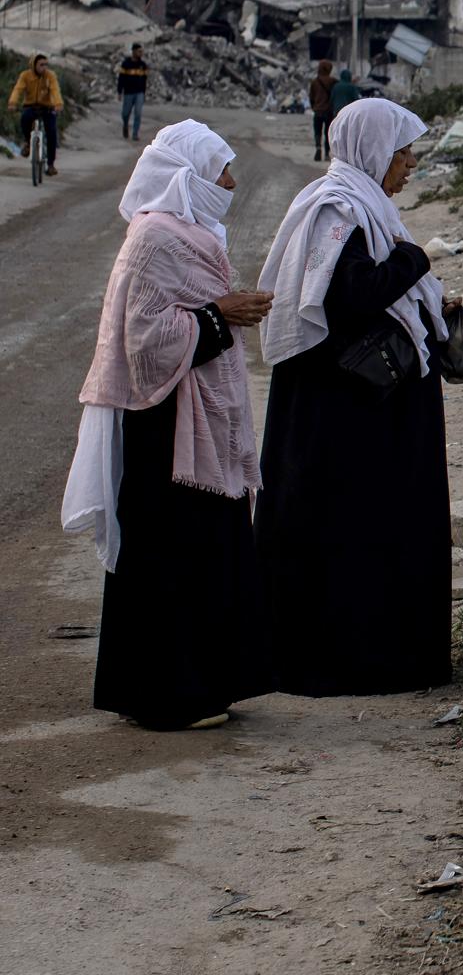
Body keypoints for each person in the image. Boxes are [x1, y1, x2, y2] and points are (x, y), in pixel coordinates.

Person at [61, 121, 275, 730]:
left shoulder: (191, 234)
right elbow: (146, 342)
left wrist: (220, 311)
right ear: (188, 176)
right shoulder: (156, 238)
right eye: (220, 170)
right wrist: (221, 313)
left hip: (194, 418)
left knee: (204, 556)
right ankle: (170, 697)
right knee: (171, 560)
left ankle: (202, 684)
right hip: (164, 426)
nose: (229, 182)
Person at [254, 98, 458, 696]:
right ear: (373, 151)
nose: (411, 164)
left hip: (365, 413)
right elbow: (351, 295)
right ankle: (347, 662)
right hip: (344, 416)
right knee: (347, 533)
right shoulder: (337, 209)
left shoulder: (364, 205)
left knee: (378, 529)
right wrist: (415, 260)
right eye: (403, 152)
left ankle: (389, 655)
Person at [10, 53, 63, 175]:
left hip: (47, 108)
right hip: (30, 106)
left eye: (46, 65)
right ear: (34, 65)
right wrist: (13, 102)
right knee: (24, 119)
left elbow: (55, 90)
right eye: (41, 65)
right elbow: (18, 89)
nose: (44, 68)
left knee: (52, 132)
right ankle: (28, 143)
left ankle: (50, 165)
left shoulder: (50, 76)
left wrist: (58, 103)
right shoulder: (25, 75)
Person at [309, 60, 338, 163]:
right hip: (328, 111)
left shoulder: (315, 82)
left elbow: (311, 97)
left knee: (318, 132)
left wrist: (314, 107)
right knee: (328, 133)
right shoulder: (333, 82)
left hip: (318, 111)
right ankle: (326, 153)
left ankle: (318, 148)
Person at [118, 43, 149, 142]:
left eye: (141, 51)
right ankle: (125, 125)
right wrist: (119, 92)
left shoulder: (143, 65)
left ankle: (135, 134)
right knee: (125, 113)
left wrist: (144, 93)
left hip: (139, 93)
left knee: (138, 113)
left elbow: (144, 80)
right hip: (128, 93)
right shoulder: (126, 64)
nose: (141, 53)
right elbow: (121, 78)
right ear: (134, 51)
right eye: (139, 51)